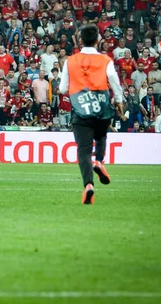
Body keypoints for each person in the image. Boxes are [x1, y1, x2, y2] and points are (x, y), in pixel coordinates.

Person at [59, 25, 124, 205]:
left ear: (80, 40)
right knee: (102, 135)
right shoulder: (106, 60)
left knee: (83, 151)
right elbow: (114, 81)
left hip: (81, 111)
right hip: (102, 108)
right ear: (98, 41)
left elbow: (63, 88)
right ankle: (100, 160)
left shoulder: (70, 61)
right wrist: (118, 100)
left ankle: (88, 185)